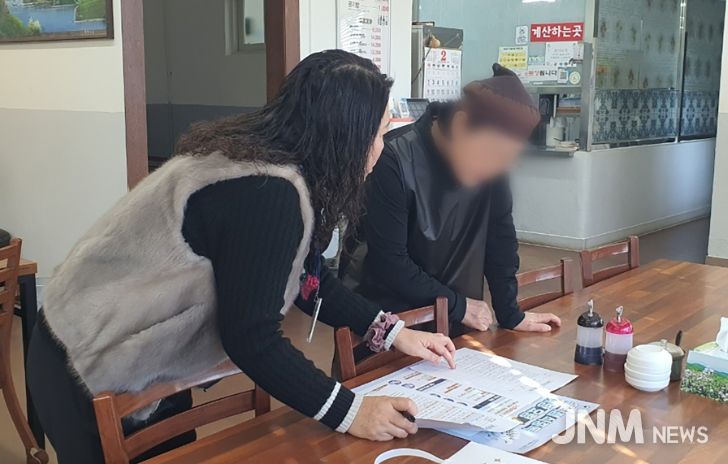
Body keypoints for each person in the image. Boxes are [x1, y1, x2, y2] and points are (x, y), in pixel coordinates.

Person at [26, 50, 456, 464]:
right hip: (85, 358)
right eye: (378, 133)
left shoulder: (270, 164)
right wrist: (351, 411)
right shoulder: (269, 194)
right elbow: (252, 338)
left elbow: (308, 280)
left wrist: (393, 332)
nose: (381, 148)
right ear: (345, 137)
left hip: (144, 357)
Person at [341, 64, 561, 335]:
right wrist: (459, 306)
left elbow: (500, 238)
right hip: (389, 328)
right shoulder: (393, 160)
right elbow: (390, 261)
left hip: (455, 326)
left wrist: (510, 313)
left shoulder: (492, 164)